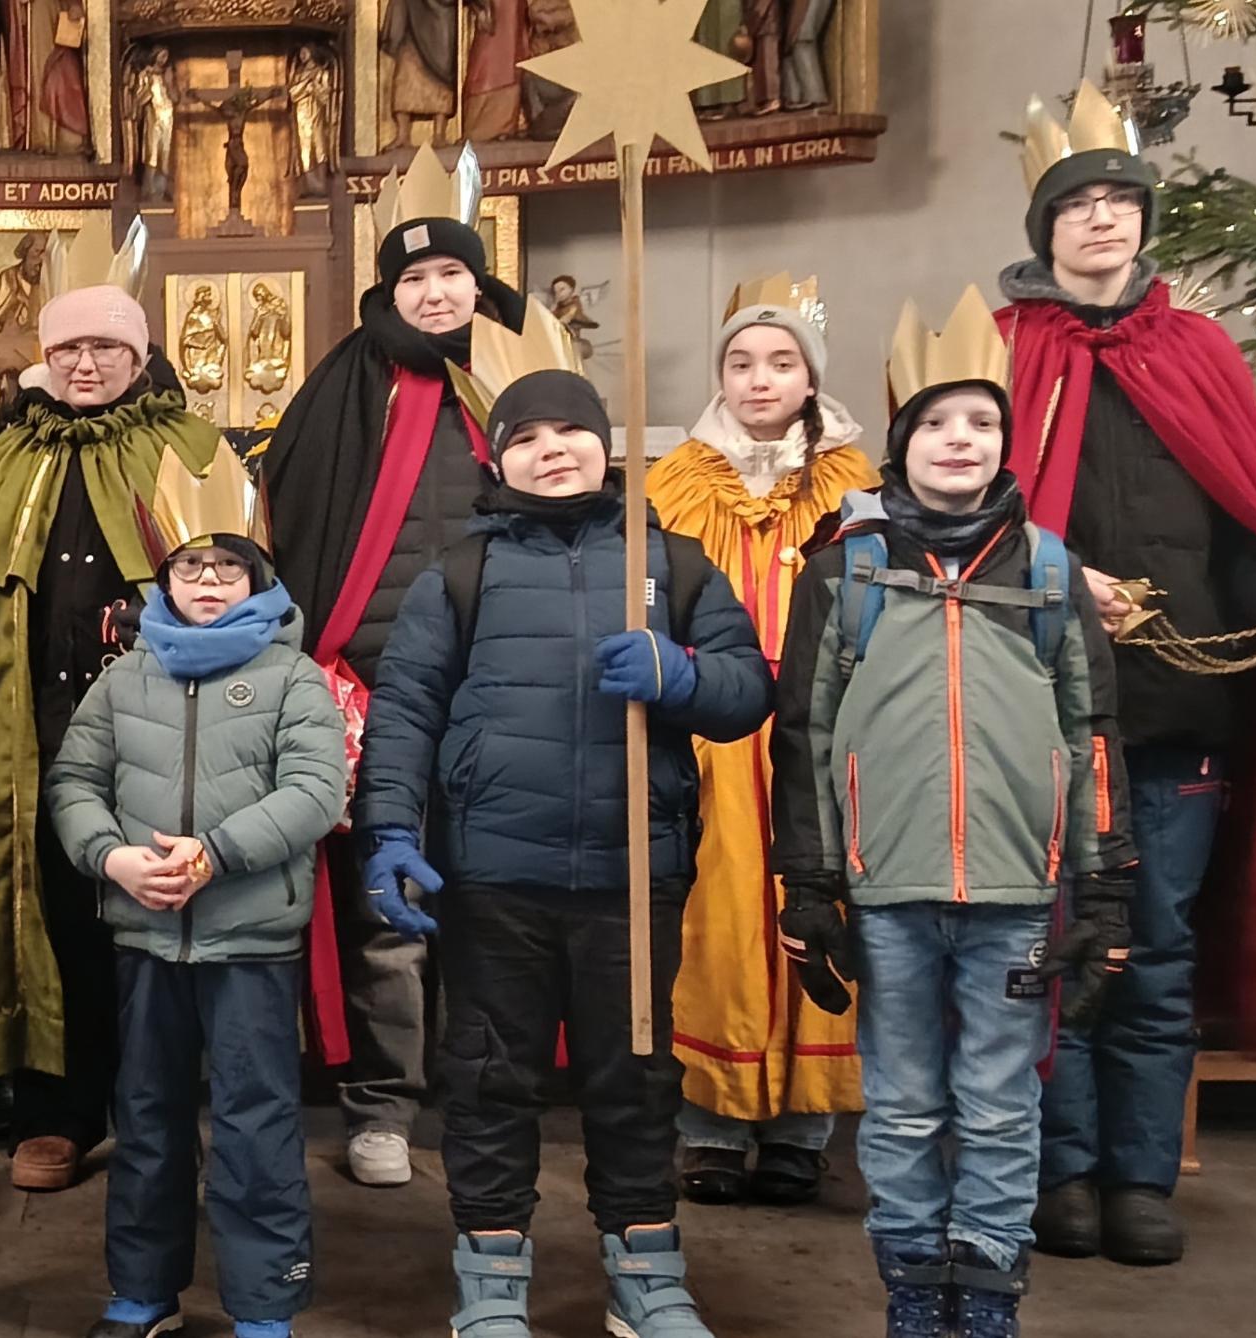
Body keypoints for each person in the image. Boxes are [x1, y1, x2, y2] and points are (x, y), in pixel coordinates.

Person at [357, 328, 772, 1338]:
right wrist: (388, 832)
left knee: (631, 1079)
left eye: (570, 431)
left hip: (635, 874)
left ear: (602, 445)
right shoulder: (458, 574)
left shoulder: (667, 560)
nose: (552, 449)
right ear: (495, 458)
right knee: (490, 1077)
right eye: (527, 435)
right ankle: (491, 1272)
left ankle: (644, 1271)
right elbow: (406, 709)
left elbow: (746, 686)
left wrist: (679, 675)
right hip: (497, 874)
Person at [999, 85, 1256, 1266]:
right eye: (1076, 205)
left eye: (1118, 203)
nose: (1100, 221)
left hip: (1176, 709)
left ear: (1143, 223)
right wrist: (1056, 575)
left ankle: (1140, 1181)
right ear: (1042, 228)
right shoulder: (1002, 354)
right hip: (1036, 713)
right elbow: (958, 514)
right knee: (1053, 955)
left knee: (1150, 957)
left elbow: (1246, 527)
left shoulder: (1195, 351)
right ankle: (1062, 1174)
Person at [770, 288, 1137, 1338]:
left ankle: (981, 1289)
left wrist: (1103, 890)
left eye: (979, 422)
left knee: (994, 1103)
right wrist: (808, 885)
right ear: (898, 443)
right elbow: (802, 735)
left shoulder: (1050, 570)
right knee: (899, 1106)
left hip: (1016, 893)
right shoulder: (845, 570)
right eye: (933, 422)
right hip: (884, 891)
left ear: (1003, 444)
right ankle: (909, 1283)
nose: (957, 440)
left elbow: (1092, 734)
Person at [256, 144, 525, 1191]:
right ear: (387, 292)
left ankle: (489, 1096)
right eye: (412, 279)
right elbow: (292, 520)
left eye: (449, 274)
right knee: (388, 909)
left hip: (502, 688)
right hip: (372, 690)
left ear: (477, 282)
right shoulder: (342, 386)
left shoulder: (519, 385)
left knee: (498, 904)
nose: (432, 291)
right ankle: (381, 1106)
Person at [0, 222, 226, 1193]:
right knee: (50, 925)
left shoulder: (187, 450)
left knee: (155, 927)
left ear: (138, 355)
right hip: (33, 736)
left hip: (156, 734)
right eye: (67, 347)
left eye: (106, 345)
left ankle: (158, 1113)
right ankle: (57, 1113)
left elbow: (238, 578)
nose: (86, 361)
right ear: (45, 359)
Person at [47, 485, 348, 1338]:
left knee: (256, 1127)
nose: (208, 580)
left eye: (227, 566)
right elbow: (75, 783)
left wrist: (215, 850)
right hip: (146, 936)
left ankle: (262, 1302)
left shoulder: (292, 678)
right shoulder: (124, 680)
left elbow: (315, 792)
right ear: (164, 580)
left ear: (256, 580)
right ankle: (141, 1292)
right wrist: (111, 857)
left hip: (249, 941)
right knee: (144, 1118)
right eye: (190, 566)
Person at [647, 277, 874, 1207]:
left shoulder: (856, 486)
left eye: (780, 363)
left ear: (811, 378)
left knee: (819, 902)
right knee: (719, 911)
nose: (758, 379)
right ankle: (711, 1120)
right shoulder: (674, 482)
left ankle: (802, 1127)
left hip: (825, 729)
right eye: (739, 363)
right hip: (717, 733)